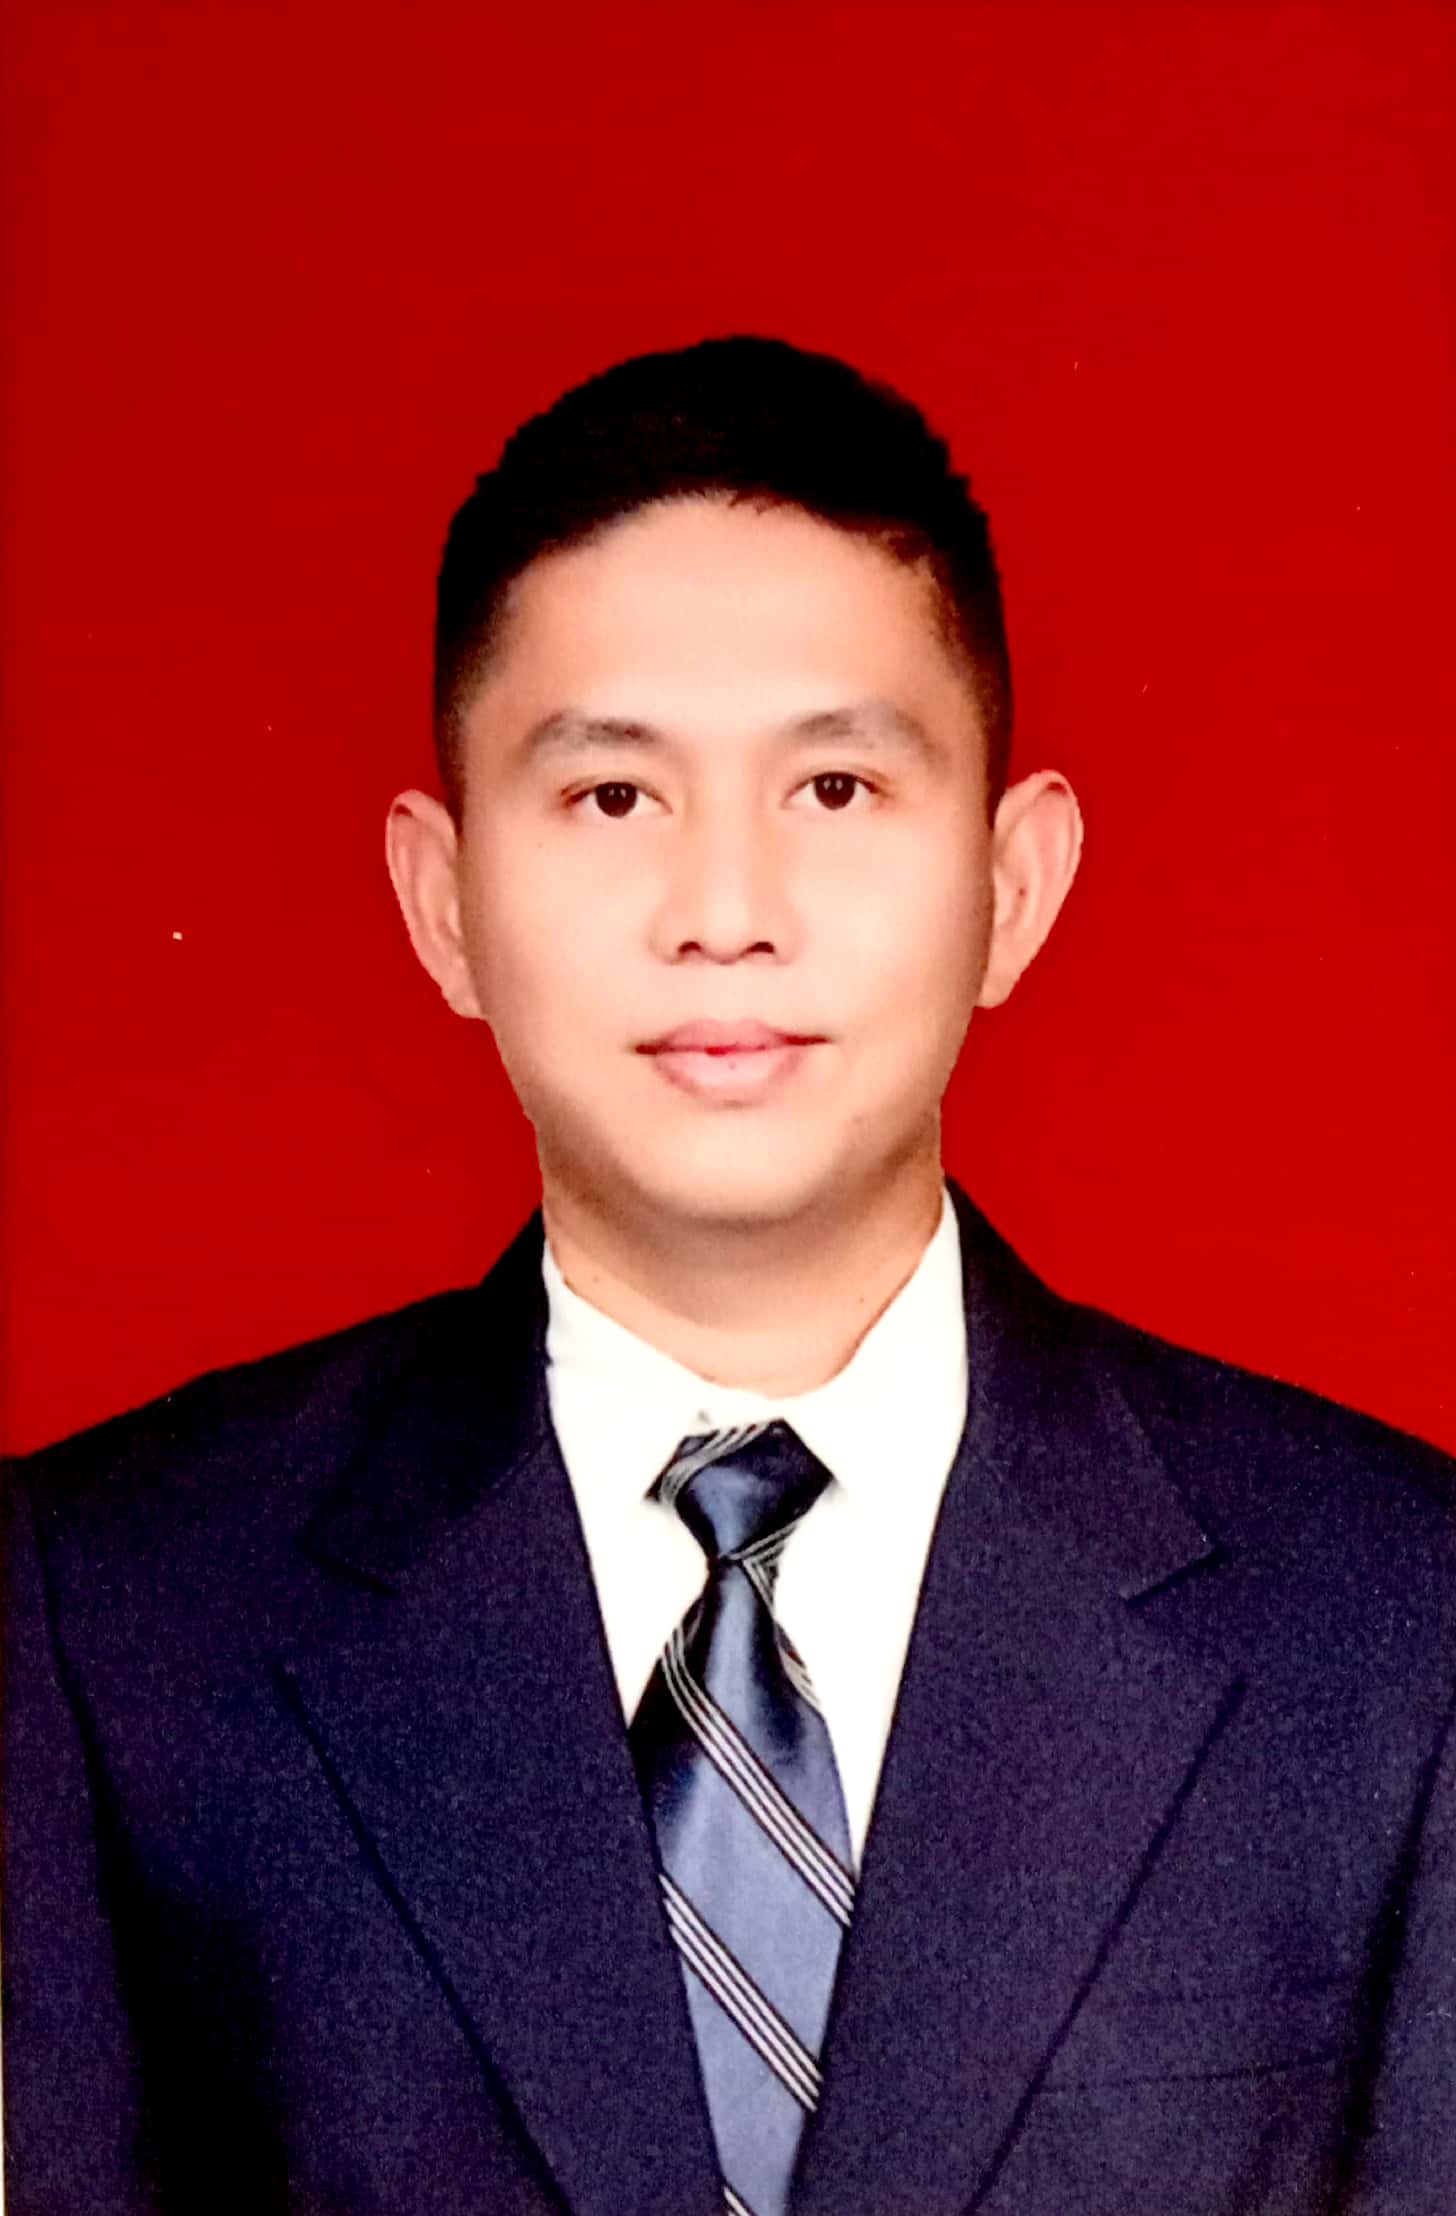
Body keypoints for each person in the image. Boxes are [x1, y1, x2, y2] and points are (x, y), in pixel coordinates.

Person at [4, 337, 1453, 2216]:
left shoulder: (1395, 1616)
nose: (725, 913)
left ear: (1013, 884)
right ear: (444, 903)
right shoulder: (108, 1610)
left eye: (835, 789)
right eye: (615, 798)